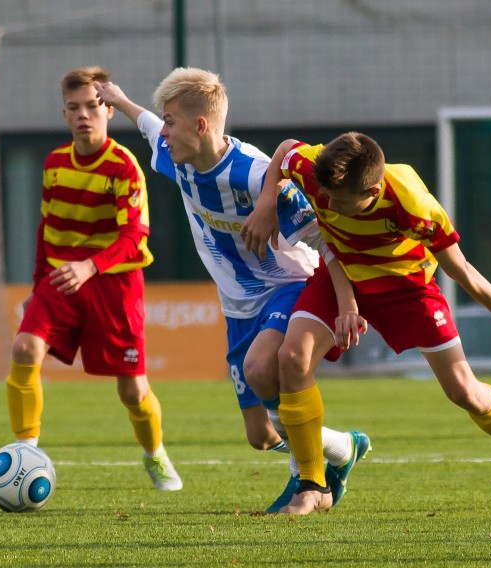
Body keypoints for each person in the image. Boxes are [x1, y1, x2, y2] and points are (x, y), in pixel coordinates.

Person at [241, 131, 491, 514]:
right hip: (342, 277)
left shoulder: (412, 204)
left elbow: (460, 269)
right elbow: (284, 150)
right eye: (325, 194)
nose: (326, 203)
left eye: (339, 201)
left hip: (406, 287)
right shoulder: (317, 170)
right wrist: (267, 202)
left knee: (464, 391)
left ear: (373, 190)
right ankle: (312, 487)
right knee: (292, 357)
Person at [94, 68, 370, 512]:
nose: (163, 132)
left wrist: (346, 303)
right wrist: (118, 98)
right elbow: (146, 125)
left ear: (200, 126)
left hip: (287, 286)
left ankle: (309, 483)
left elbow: (324, 238)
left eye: (172, 122)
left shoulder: (257, 176)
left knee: (264, 367)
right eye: (164, 123)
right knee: (261, 437)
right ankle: (342, 447)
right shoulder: (172, 152)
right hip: (237, 307)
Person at [5, 66, 182, 491]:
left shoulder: (124, 167)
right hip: (63, 278)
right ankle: (26, 452)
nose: (84, 114)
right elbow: (45, 230)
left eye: (92, 105)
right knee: (25, 348)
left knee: (132, 391)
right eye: (74, 107)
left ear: (107, 110)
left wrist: (91, 266)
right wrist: (37, 288)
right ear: (64, 114)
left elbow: (134, 237)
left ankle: (154, 453)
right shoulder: (53, 164)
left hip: (113, 283)